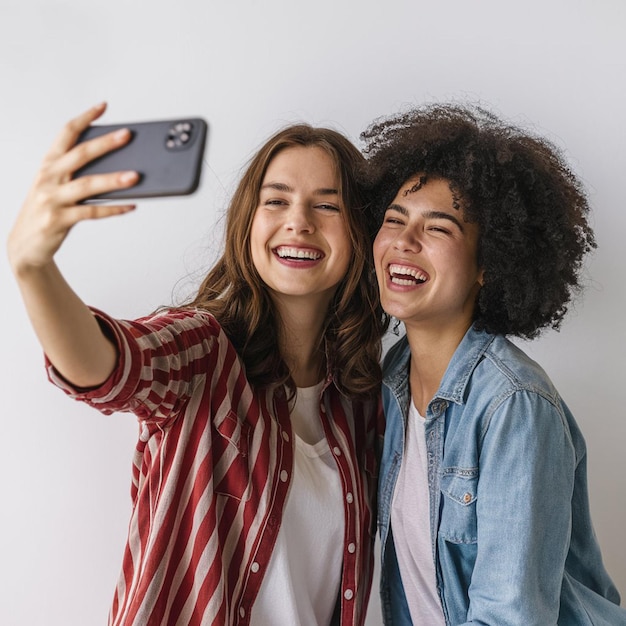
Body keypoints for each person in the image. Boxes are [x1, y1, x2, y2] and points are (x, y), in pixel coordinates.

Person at [7, 102, 386, 626]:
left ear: (359, 233)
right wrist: (33, 268)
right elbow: (107, 366)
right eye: (275, 201)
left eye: (327, 206)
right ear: (246, 223)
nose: (297, 222)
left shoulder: (363, 405)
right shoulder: (203, 352)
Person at [360, 103, 626, 625]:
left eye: (438, 229)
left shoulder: (513, 403)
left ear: (489, 265)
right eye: (394, 220)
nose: (404, 243)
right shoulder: (391, 377)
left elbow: (511, 617)